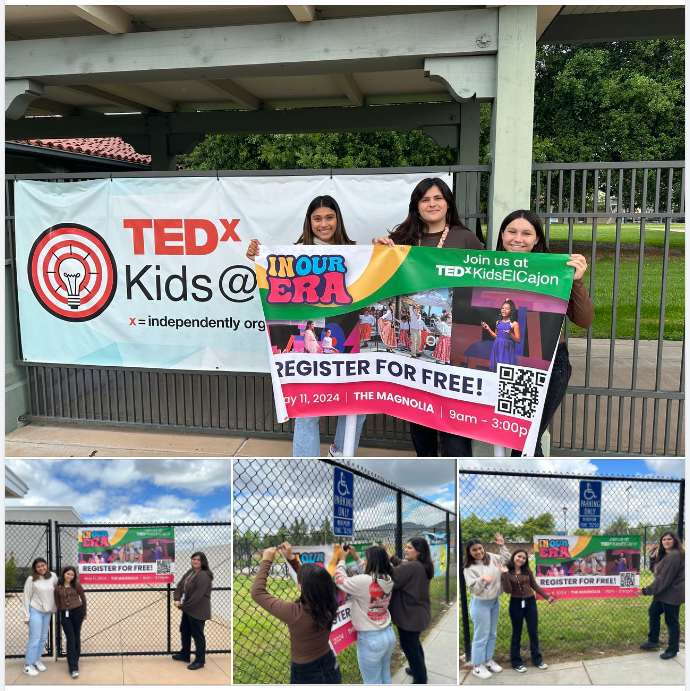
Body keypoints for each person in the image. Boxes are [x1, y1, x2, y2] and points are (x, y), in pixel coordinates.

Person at [246, 195, 365, 457]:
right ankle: (306, 466)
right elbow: (273, 273)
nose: (324, 223)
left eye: (329, 217)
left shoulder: (355, 252)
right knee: (308, 410)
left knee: (356, 406)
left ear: (338, 219)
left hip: (346, 338)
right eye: (317, 218)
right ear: (309, 222)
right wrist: (258, 255)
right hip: (312, 346)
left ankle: (340, 454)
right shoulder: (295, 254)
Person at [373, 178, 484, 457]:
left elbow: (485, 284)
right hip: (414, 364)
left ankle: (458, 479)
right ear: (416, 206)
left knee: (455, 427)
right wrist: (378, 251)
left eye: (437, 198)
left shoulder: (466, 239)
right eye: (425, 199)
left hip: (457, 348)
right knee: (419, 420)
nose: (432, 204)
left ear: (448, 203)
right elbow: (379, 279)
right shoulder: (401, 240)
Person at [495, 209, 594, 457]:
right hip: (506, 361)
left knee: (527, 439)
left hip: (548, 363)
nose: (518, 239)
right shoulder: (487, 267)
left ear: (537, 238)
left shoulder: (555, 271)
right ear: (502, 234)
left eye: (527, 233)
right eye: (512, 231)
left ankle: (526, 488)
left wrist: (577, 280)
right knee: (516, 436)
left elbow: (584, 320)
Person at [251, 542, 342, 684]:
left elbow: (257, 592)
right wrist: (291, 559)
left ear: (303, 587)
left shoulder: (295, 613)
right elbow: (313, 582)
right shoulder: (330, 603)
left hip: (306, 673)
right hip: (330, 663)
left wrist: (267, 561)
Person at [334, 545, 396, 684]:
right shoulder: (389, 575)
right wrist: (356, 557)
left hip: (371, 639)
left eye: (365, 558)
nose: (364, 561)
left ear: (371, 561)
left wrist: (342, 561)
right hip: (388, 634)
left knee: (372, 682)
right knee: (386, 676)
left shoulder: (364, 581)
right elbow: (370, 575)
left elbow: (339, 580)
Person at [382, 537, 433, 684]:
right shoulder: (421, 565)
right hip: (417, 614)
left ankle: (420, 679)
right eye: (406, 547)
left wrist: (379, 557)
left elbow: (391, 575)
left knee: (410, 649)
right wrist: (387, 554)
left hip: (410, 617)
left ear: (419, 551)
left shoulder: (411, 567)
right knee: (414, 645)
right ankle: (419, 669)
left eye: (409, 547)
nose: (406, 549)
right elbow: (400, 564)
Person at [462, 533, 511, 680]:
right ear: (469, 553)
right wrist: (481, 579)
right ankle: (477, 666)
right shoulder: (469, 568)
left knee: (492, 634)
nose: (479, 552)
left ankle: (487, 660)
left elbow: (508, 561)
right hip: (480, 604)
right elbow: (474, 590)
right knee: (481, 635)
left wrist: (502, 546)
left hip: (494, 602)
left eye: (480, 548)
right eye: (474, 550)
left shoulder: (491, 557)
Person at [499, 549, 555, 673]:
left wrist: (547, 597)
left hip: (530, 603)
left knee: (533, 632)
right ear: (514, 556)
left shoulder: (527, 570)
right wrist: (506, 575)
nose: (521, 559)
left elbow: (534, 585)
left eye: (524, 558)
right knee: (516, 633)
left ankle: (537, 659)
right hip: (515, 604)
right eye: (519, 556)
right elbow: (507, 591)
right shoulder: (506, 572)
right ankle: (516, 662)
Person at [638, 530, 684, 659]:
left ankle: (673, 649)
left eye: (669, 539)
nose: (666, 541)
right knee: (653, 612)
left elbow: (664, 578)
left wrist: (646, 590)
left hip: (672, 594)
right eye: (664, 540)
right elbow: (656, 570)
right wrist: (652, 559)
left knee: (671, 621)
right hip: (662, 593)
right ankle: (653, 641)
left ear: (675, 540)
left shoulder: (675, 555)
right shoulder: (666, 555)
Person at [172, 552, 214, 670]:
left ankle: (200, 661)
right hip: (188, 608)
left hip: (198, 610)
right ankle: (185, 654)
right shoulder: (190, 572)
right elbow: (180, 586)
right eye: (193, 559)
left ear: (203, 562)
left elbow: (197, 596)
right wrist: (176, 598)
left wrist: (182, 607)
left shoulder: (204, 575)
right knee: (184, 630)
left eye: (198, 560)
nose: (195, 561)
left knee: (197, 635)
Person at [22, 558, 58, 677]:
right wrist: (26, 616)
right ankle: (27, 665)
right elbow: (26, 598)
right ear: (34, 568)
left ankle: (35, 660)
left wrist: (53, 609)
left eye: (43, 565)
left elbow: (55, 594)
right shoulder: (31, 579)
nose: (41, 568)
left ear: (46, 565)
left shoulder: (53, 576)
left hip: (47, 612)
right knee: (34, 638)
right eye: (38, 567)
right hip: (35, 611)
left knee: (42, 638)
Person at [54, 566, 87, 679]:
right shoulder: (58, 587)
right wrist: (63, 610)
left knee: (76, 637)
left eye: (72, 575)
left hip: (78, 612)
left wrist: (85, 613)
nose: (70, 576)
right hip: (65, 614)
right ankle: (73, 668)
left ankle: (75, 661)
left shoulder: (76, 585)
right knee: (70, 639)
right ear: (64, 574)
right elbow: (57, 602)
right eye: (68, 574)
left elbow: (83, 599)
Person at [482, 300, 520, 371]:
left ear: (511, 311)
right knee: (496, 369)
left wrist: (510, 334)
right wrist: (488, 328)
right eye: (502, 308)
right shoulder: (498, 322)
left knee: (506, 370)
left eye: (507, 309)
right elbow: (496, 337)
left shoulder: (514, 324)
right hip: (497, 346)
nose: (504, 310)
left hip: (507, 348)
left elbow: (518, 340)